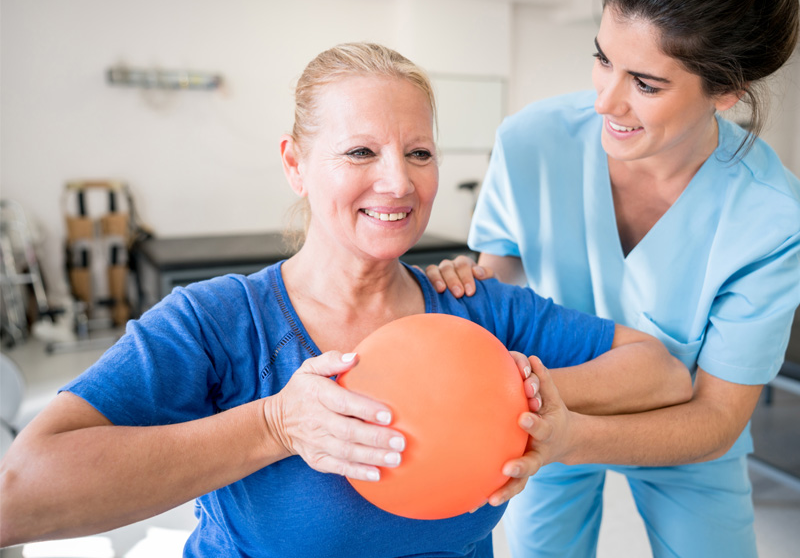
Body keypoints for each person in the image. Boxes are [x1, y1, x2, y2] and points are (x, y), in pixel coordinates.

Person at [0, 43, 691, 557]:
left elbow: (658, 370)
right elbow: (18, 495)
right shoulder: (218, 322)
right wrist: (274, 426)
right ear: (295, 164)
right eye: (361, 151)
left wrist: (517, 394)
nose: (398, 182)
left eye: (419, 153)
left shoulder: (479, 310)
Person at [426, 0, 800, 557]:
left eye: (646, 84)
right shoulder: (531, 141)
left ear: (726, 93)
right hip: (550, 400)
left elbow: (716, 417)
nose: (606, 102)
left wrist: (573, 436)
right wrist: (468, 287)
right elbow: (499, 281)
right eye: (603, 58)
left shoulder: (770, 217)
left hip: (682, 433)